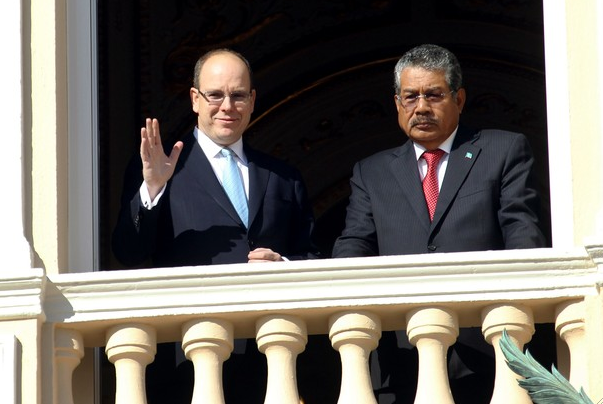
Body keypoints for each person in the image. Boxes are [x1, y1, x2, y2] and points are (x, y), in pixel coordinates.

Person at [332, 44, 548, 403]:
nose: (421, 107)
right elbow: (353, 247)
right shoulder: (371, 172)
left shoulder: (502, 150)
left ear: (458, 99)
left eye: (433, 95)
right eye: (410, 97)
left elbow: (522, 236)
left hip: (488, 354)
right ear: (397, 103)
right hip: (401, 359)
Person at [111, 48, 326, 404]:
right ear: (195, 99)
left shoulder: (283, 177)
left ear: (252, 100)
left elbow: (313, 258)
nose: (227, 106)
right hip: (187, 360)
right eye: (215, 95)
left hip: (270, 361)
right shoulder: (160, 168)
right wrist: (153, 189)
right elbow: (129, 252)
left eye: (238, 95)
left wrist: (284, 265)